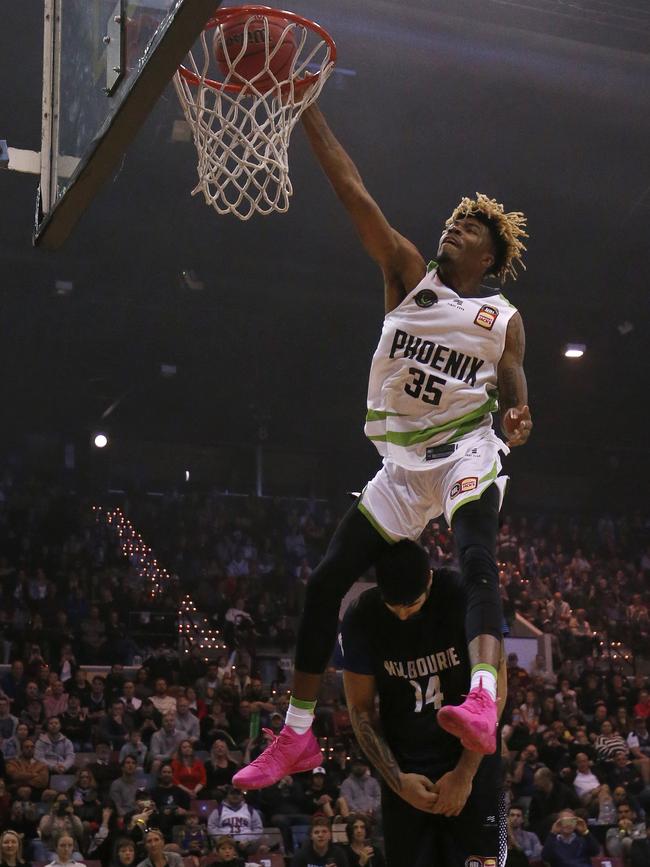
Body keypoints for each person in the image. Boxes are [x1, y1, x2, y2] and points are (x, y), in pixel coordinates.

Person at [235, 104, 531, 790]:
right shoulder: (407, 273)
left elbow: (512, 373)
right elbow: (353, 193)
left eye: (466, 229)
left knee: (477, 558)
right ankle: (298, 735)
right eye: (451, 221)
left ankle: (482, 697)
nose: (450, 229)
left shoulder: (501, 318)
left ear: (487, 256)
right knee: (323, 584)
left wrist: (517, 410)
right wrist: (307, 112)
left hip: (463, 451)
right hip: (400, 468)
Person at [337, 541, 506, 866]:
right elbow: (360, 710)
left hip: (472, 765)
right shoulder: (362, 616)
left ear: (429, 580)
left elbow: (495, 693)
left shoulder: (463, 596)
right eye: (393, 606)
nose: (402, 615)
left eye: (411, 605)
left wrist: (463, 775)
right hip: (406, 771)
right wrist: (398, 782)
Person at [207, 786, 263, 854]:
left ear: (242, 796)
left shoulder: (250, 810)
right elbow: (211, 827)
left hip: (247, 845)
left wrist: (249, 841)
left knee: (261, 848)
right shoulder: (219, 810)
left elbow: (258, 828)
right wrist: (221, 839)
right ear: (227, 796)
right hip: (225, 845)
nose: (235, 796)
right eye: (232, 794)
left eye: (238, 794)